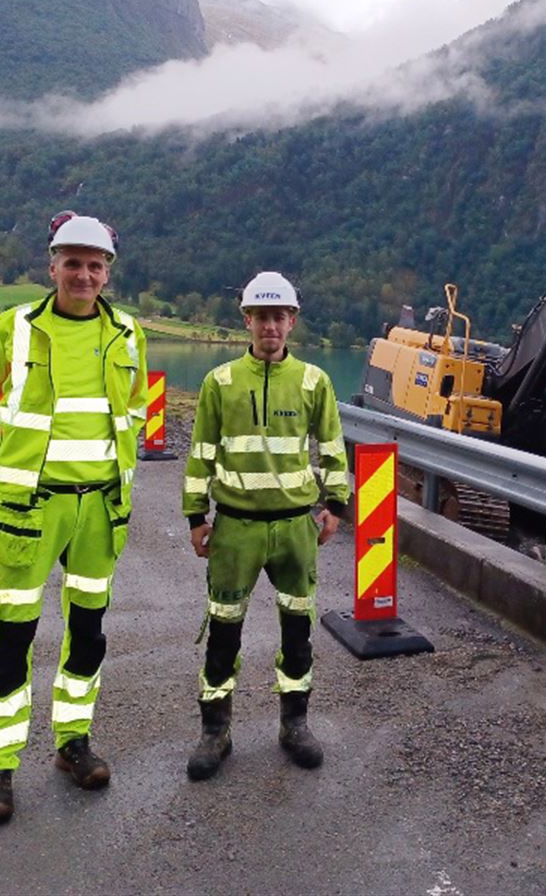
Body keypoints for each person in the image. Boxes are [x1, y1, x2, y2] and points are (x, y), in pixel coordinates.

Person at [0, 212, 148, 825]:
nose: (84, 274)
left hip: (100, 512)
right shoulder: (12, 329)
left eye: (95, 265)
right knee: (11, 639)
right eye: (73, 262)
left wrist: (116, 484)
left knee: (88, 634)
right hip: (29, 512)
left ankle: (73, 743)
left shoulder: (128, 335)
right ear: (52, 266)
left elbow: (135, 413)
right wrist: (13, 464)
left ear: (107, 272)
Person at [182, 270, 349, 780]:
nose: (270, 326)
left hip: (296, 528)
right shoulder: (221, 382)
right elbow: (201, 454)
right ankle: (215, 732)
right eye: (261, 317)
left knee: (298, 629)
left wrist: (335, 506)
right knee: (223, 631)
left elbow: (333, 448)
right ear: (247, 321)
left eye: (279, 317)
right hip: (236, 527)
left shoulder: (315, 381)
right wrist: (196, 516)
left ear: (291, 321)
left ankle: (294, 725)